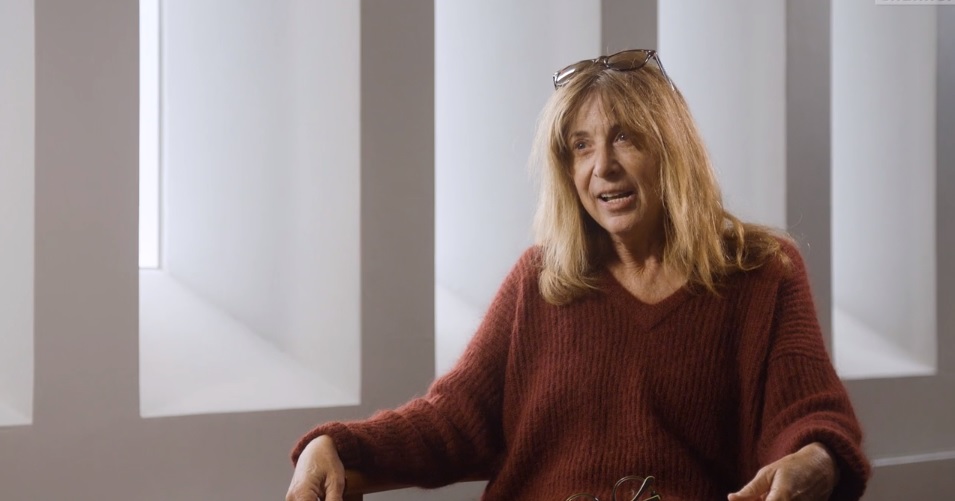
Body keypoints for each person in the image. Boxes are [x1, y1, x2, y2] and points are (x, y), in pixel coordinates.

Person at [285, 49, 870, 501]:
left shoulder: (761, 273)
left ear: (672, 151)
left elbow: (810, 415)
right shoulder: (539, 280)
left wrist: (816, 459)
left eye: (625, 138)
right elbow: (451, 420)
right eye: (580, 147)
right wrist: (334, 442)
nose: (602, 167)